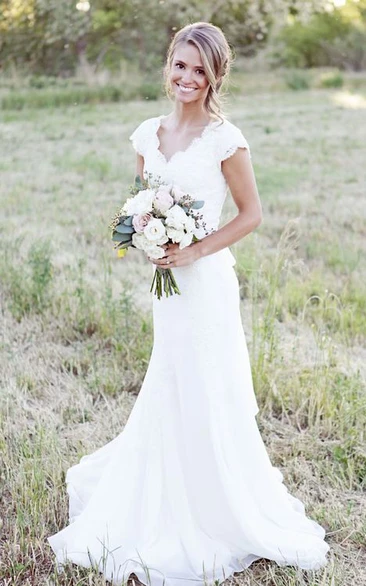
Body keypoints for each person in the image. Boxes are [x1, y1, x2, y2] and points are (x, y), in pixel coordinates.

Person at [48, 21, 329, 586]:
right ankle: (162, 490)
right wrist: (146, 237)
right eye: (181, 64)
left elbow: (251, 215)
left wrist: (194, 249)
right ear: (167, 64)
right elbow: (137, 202)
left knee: (206, 383)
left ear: (216, 75)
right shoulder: (147, 134)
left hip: (207, 287)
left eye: (201, 70)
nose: (188, 77)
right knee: (170, 379)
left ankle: (214, 507)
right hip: (167, 289)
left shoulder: (228, 139)